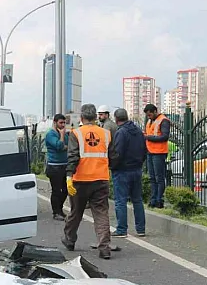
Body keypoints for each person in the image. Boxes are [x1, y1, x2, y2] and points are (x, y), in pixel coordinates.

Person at [62, 104, 118, 259]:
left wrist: (68, 177)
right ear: (95, 117)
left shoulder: (76, 133)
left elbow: (72, 156)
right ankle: (104, 247)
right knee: (101, 214)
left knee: (76, 212)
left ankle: (70, 239)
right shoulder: (106, 134)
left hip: (80, 180)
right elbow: (113, 156)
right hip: (101, 180)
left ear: (81, 118)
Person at [110, 108, 147, 238]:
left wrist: (113, 167)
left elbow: (117, 153)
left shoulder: (121, 133)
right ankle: (141, 229)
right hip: (136, 169)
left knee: (121, 201)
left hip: (122, 170)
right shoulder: (138, 131)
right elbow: (144, 150)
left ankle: (121, 229)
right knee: (137, 200)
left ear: (116, 119)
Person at [143, 104, 170, 208]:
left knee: (159, 178)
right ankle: (153, 199)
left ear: (155, 111)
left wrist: (148, 137)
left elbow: (164, 137)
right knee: (152, 178)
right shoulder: (150, 121)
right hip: (150, 152)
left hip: (159, 153)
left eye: (150, 115)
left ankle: (159, 200)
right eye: (147, 115)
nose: (148, 117)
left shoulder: (164, 120)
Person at [44, 114, 69, 220]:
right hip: (54, 166)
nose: (63, 125)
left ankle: (60, 208)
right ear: (55, 123)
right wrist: (62, 137)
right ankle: (56, 212)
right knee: (56, 190)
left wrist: (63, 144)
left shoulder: (65, 134)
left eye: (64, 123)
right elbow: (59, 146)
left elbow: (68, 145)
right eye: (61, 123)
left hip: (64, 165)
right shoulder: (51, 134)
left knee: (66, 189)